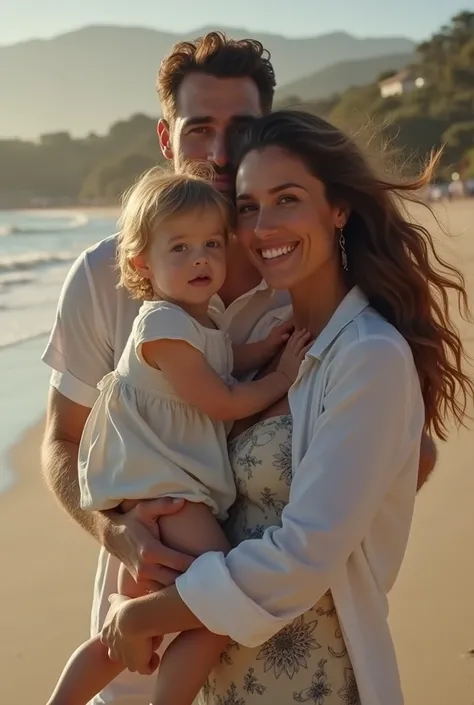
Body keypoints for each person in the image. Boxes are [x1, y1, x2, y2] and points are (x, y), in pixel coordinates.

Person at [41, 33, 437, 705]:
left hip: (278, 648)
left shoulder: (300, 275)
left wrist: (334, 535)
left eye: (242, 130)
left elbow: (406, 450)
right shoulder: (108, 275)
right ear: (167, 139)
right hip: (146, 637)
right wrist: (120, 531)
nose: (221, 155)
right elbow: (63, 440)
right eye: (200, 131)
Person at [46, 167, 310, 705]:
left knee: (122, 640)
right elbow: (221, 398)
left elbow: (221, 361)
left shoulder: (198, 320)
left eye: (213, 244)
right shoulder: (160, 325)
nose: (201, 259)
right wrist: (282, 376)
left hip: (165, 486)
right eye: (181, 248)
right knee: (217, 606)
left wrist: (259, 352)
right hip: (168, 491)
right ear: (142, 263)